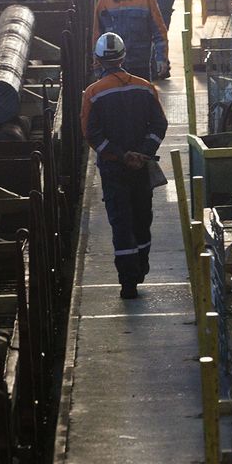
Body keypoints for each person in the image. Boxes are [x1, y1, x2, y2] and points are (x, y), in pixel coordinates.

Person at [81, 32, 168, 299]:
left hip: (114, 170)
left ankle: (128, 282)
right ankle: (141, 266)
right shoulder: (145, 87)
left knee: (121, 223)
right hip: (141, 168)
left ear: (97, 60)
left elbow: (91, 134)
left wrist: (121, 156)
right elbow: (159, 125)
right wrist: (143, 153)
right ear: (123, 57)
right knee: (142, 218)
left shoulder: (93, 94)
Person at [92, 0, 168, 80]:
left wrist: (161, 59)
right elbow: (97, 37)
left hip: (140, 67)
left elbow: (159, 33)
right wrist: (97, 65)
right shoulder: (103, 3)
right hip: (111, 68)